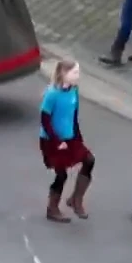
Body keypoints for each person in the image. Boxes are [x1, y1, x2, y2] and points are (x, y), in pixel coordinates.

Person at [38, 59, 94, 222]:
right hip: (52, 141)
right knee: (61, 174)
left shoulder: (74, 90)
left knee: (89, 160)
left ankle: (75, 200)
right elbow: (45, 120)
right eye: (75, 72)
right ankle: (52, 208)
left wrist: (78, 137)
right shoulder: (52, 94)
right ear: (64, 74)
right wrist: (57, 141)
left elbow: (74, 116)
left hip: (71, 138)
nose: (78, 76)